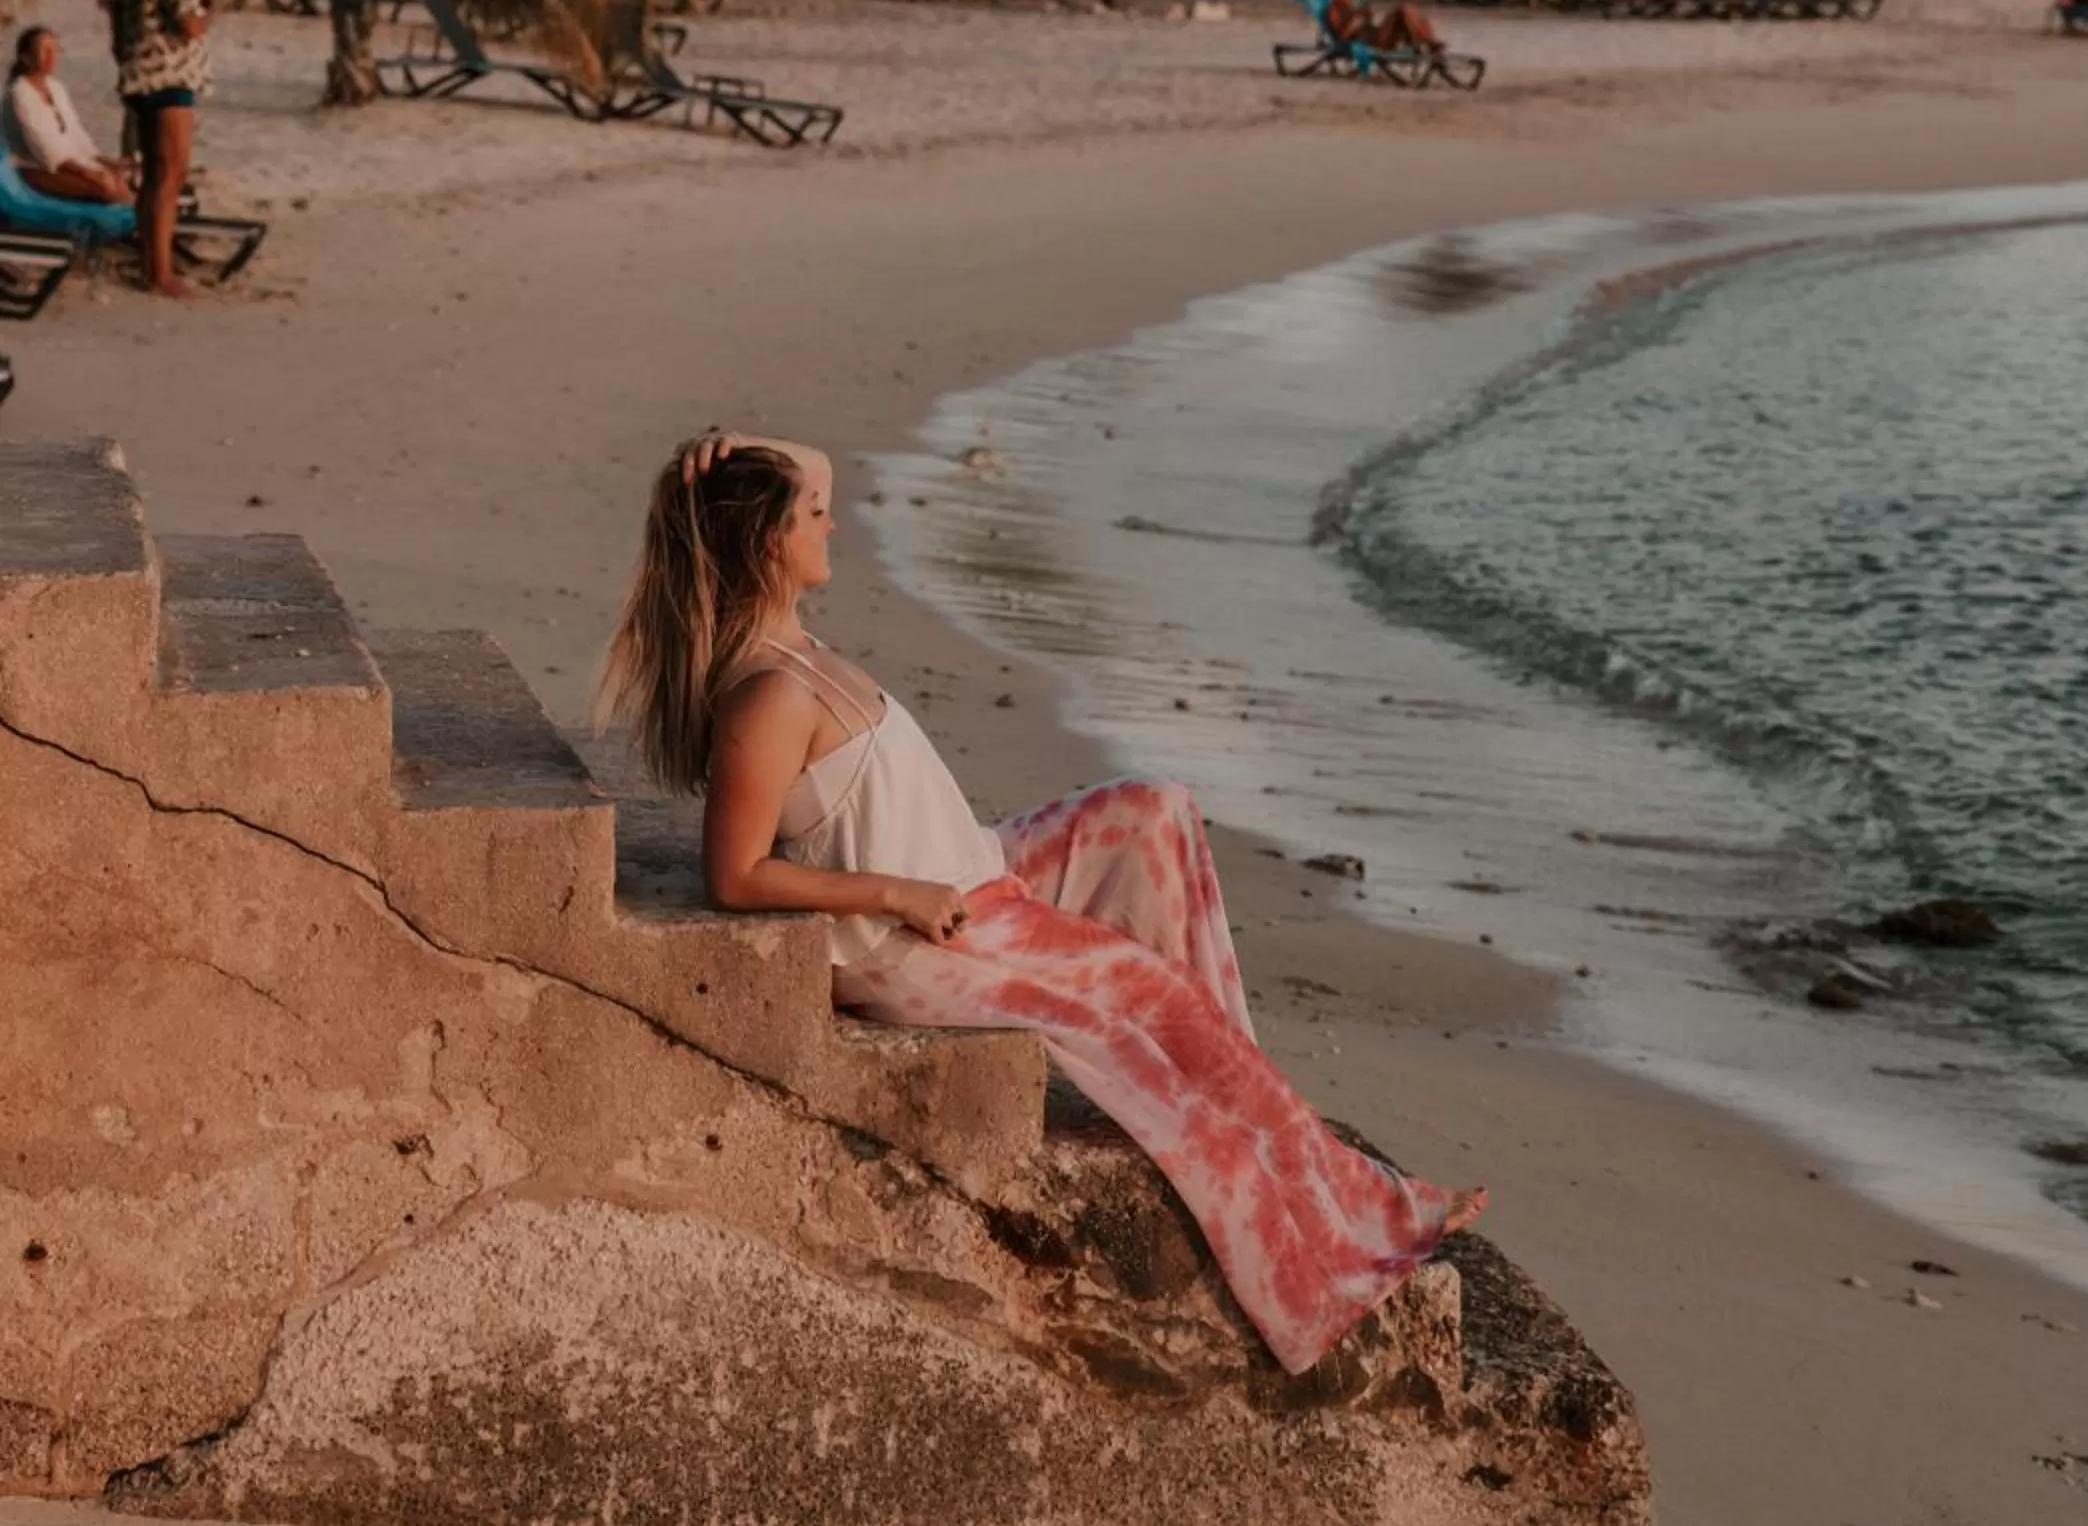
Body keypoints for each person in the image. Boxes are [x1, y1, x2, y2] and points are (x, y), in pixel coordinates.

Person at [601, 434, 1485, 1375]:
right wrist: (897, 893)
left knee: (1152, 814)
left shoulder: (794, 647)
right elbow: (736, 875)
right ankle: (1328, 1228)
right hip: (910, 939)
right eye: (811, 515)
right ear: (767, 543)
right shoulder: (769, 696)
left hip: (972, 867)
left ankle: (1260, 1126)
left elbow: (809, 465)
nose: (832, 521)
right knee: (1153, 1001)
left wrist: (744, 453)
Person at [110, 0, 211, 298]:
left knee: (154, 175)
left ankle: (150, 264)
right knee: (171, 174)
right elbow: (187, 22)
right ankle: (161, 273)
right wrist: (207, 16)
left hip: (138, 72)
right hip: (168, 73)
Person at [3, 27, 137, 204]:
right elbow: (45, 151)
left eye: (55, 50)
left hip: (64, 165)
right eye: (45, 51)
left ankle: (142, 208)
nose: (52, 57)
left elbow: (76, 134)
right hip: (34, 169)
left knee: (122, 175)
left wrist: (107, 163)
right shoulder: (19, 93)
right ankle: (139, 212)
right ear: (26, 57)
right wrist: (88, 172)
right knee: (106, 185)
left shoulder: (56, 88)